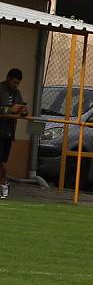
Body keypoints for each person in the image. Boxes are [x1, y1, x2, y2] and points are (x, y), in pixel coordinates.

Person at [0, 68, 28, 199]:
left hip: (8, 132)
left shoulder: (17, 93)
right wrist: (9, 109)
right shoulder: (1, 89)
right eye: (14, 83)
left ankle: (3, 183)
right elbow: (6, 109)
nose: (15, 86)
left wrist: (23, 111)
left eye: (18, 83)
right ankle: (3, 182)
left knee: (3, 160)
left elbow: (21, 107)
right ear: (8, 79)